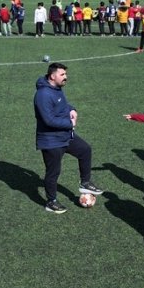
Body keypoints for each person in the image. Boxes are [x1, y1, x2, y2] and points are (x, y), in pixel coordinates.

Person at [34, 62, 104, 214]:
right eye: (62, 74)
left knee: (85, 150)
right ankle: (51, 202)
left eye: (65, 74)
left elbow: (62, 105)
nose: (66, 77)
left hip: (64, 136)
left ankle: (85, 183)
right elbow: (48, 120)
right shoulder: (43, 95)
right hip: (51, 141)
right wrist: (69, 123)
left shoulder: (56, 89)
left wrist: (72, 109)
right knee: (53, 172)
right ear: (52, 76)